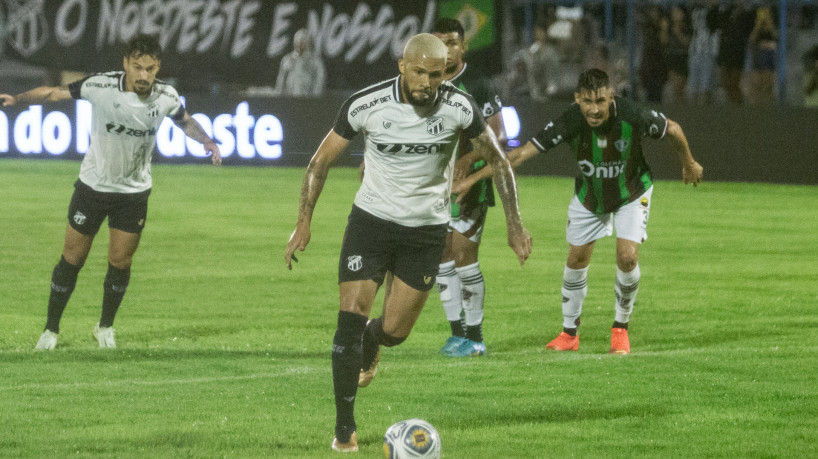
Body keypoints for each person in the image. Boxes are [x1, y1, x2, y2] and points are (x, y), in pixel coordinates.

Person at [284, 33, 531, 452]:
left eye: (436, 74)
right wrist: (302, 223)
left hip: (425, 232)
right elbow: (319, 161)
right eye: (419, 72)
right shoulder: (367, 103)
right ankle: (345, 429)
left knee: (396, 331)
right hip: (371, 224)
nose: (427, 83)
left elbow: (498, 161)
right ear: (402, 66)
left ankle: (374, 340)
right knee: (349, 315)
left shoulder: (458, 106)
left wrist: (514, 224)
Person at [453, 68, 702, 355]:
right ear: (577, 99)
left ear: (611, 97)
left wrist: (689, 163)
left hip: (631, 192)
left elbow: (672, 129)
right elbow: (519, 155)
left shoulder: (632, 113)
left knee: (627, 256)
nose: (594, 110)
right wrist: (471, 178)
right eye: (587, 102)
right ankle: (569, 334)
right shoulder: (570, 120)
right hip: (589, 196)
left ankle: (620, 329)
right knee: (577, 257)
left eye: (600, 101)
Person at [0, 34, 221, 350]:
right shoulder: (100, 86)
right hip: (92, 189)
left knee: (120, 263)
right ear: (126, 65)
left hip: (133, 195)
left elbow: (184, 121)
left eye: (151, 68)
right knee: (72, 259)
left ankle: (104, 327)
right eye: (138, 67)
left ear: (158, 67)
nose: (144, 75)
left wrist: (208, 140)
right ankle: (50, 330)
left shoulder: (166, 96)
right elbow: (53, 93)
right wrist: (18, 99)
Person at [431, 18, 509, 357]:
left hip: (469, 183)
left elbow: (499, 136)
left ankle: (475, 337)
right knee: (441, 256)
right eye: (438, 43)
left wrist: (470, 160)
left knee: (463, 254)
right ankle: (456, 334)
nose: (445, 50)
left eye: (451, 42)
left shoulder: (477, 84)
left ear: (463, 46)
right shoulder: (423, 82)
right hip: (433, 184)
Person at [274, 28, 326, 97]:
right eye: (297, 40)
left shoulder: (316, 61)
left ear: (308, 42)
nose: (300, 43)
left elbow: (319, 82)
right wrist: (279, 97)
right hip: (289, 100)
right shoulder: (287, 59)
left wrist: (314, 99)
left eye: (303, 40)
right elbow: (280, 81)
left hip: (307, 101)